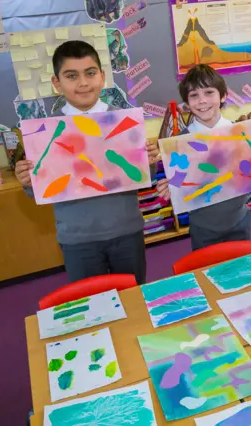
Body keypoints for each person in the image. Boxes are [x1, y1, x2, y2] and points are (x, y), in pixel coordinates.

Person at [15, 40, 159, 284]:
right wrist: (27, 180)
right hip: (78, 238)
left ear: (102, 77)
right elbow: (37, 189)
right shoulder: (45, 132)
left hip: (126, 231)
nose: (83, 83)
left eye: (90, 73)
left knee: (135, 299)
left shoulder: (124, 122)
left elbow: (143, 177)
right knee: (94, 308)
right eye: (72, 76)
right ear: (57, 83)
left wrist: (150, 160)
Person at [154, 64, 251, 250]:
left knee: (243, 272)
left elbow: (249, 173)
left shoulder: (241, 134)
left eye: (209, 93)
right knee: (208, 273)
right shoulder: (179, 141)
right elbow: (179, 181)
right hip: (203, 227)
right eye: (194, 95)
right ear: (187, 104)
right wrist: (170, 186)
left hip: (239, 220)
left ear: (223, 96)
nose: (202, 101)